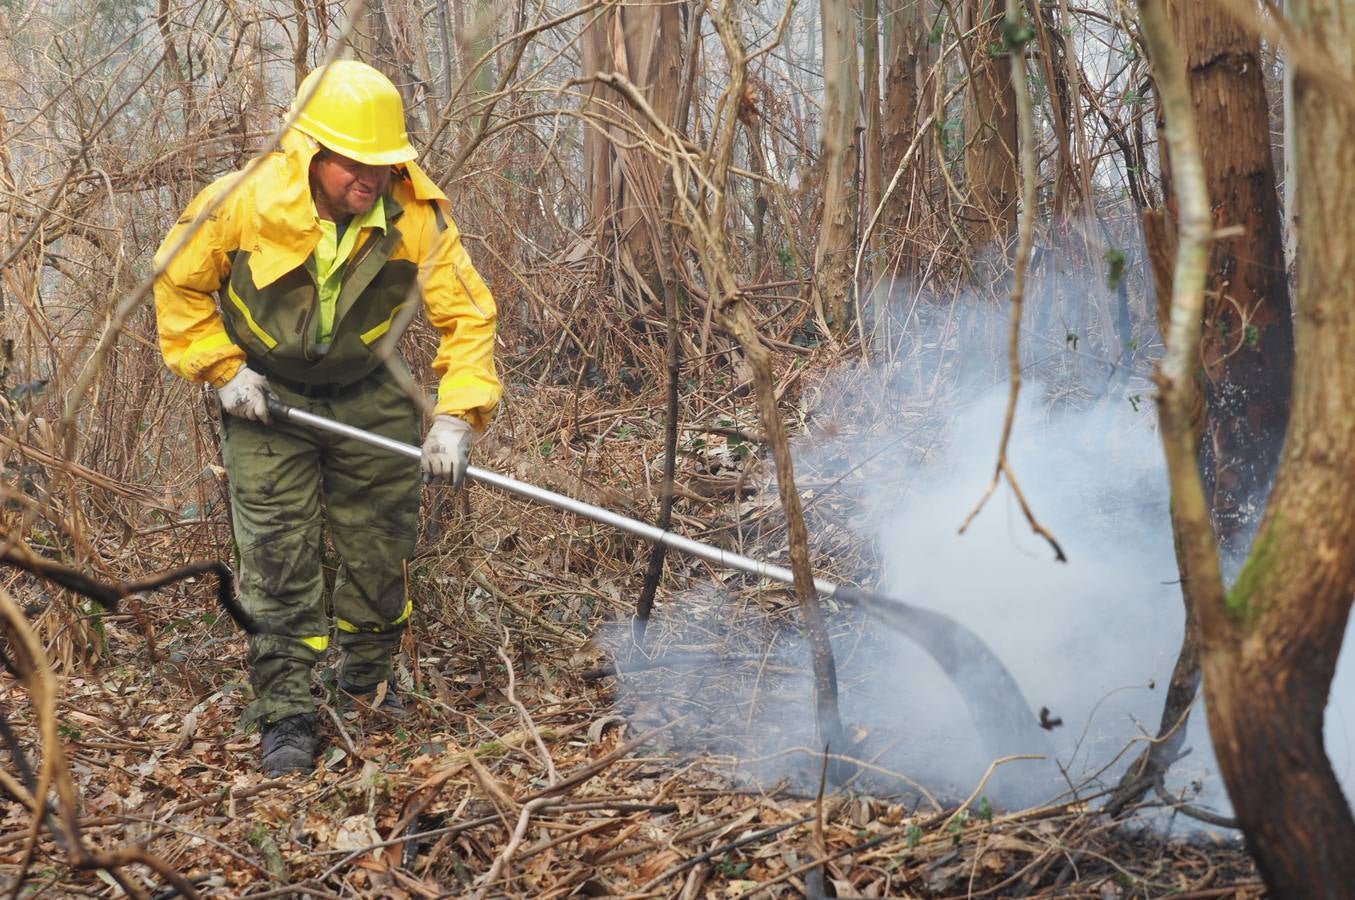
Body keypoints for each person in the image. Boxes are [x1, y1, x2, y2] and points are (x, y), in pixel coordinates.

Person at [152, 59, 501, 775]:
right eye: (354, 164)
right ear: (312, 151)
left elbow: (467, 317)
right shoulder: (243, 203)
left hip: (368, 394)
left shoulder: (415, 218)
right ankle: (285, 713)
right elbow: (176, 287)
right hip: (266, 396)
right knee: (277, 557)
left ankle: (367, 684)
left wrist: (456, 417)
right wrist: (222, 369)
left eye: (383, 163)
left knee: (378, 548)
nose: (369, 179)